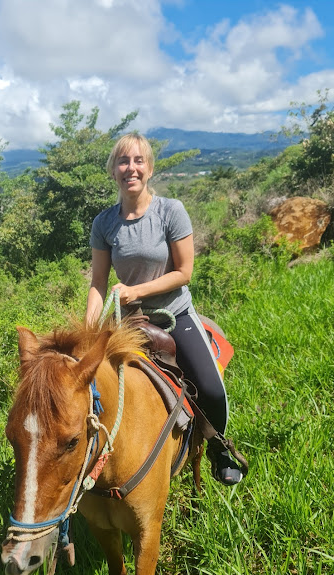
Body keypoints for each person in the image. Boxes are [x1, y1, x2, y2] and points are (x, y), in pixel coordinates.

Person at [85, 132, 242, 485]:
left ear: (150, 168)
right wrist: (89, 332)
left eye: (138, 160)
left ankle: (218, 448)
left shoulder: (170, 211)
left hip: (175, 315)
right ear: (113, 171)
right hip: (131, 322)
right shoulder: (104, 224)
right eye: (123, 161)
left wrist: (135, 290)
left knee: (211, 388)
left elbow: (184, 272)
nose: (131, 168)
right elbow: (97, 283)